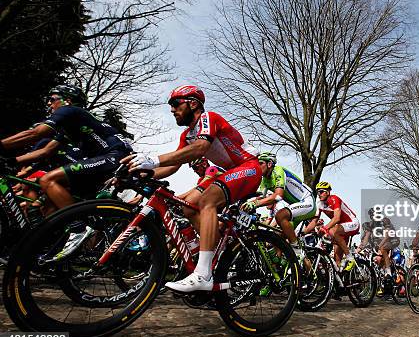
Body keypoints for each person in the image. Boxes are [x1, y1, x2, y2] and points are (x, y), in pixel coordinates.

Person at [125, 84, 261, 292]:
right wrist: (145, 172)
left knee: (207, 201)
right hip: (229, 172)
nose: (172, 110)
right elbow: (172, 165)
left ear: (193, 103)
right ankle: (214, 249)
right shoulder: (186, 135)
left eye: (175, 104)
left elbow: (201, 148)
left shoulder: (209, 118)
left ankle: (203, 274)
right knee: (189, 207)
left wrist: (153, 160)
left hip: (248, 167)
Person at [0, 84, 132, 213]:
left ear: (67, 101)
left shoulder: (69, 110)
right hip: (108, 157)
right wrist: (12, 161)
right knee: (49, 200)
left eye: (52, 99)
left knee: (48, 180)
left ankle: (77, 227)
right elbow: (46, 151)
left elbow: (36, 133)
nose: (48, 104)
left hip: (114, 156)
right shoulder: (71, 126)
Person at [240, 152, 316, 259]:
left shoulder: (278, 170)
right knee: (278, 240)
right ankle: (284, 265)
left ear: (270, 164)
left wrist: (255, 204)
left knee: (280, 216)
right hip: (297, 206)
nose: (257, 166)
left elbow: (278, 196)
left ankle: (297, 249)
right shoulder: (265, 179)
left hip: (307, 202)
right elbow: (262, 197)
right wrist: (247, 204)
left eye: (260, 163)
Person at [305, 181, 359, 271]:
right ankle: (341, 281)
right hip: (341, 227)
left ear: (328, 192)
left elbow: (336, 218)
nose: (319, 194)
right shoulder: (319, 204)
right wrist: (303, 232)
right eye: (318, 192)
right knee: (337, 258)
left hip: (352, 222)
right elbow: (314, 222)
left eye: (321, 192)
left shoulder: (334, 199)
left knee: (332, 231)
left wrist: (325, 228)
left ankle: (350, 258)